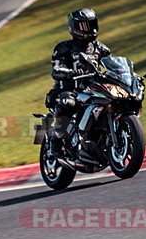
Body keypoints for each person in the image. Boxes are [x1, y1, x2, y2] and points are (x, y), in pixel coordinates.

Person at [45, 8, 112, 148]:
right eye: (84, 26)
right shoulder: (63, 48)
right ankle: (55, 143)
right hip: (68, 90)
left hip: (92, 90)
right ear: (73, 27)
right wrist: (71, 73)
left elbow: (112, 65)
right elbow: (56, 70)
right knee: (67, 102)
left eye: (92, 24)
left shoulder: (101, 48)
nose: (90, 29)